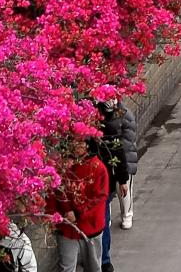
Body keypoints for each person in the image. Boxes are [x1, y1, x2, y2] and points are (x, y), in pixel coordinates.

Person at [49, 140, 109, 272]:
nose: (75, 147)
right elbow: (53, 192)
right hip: (66, 226)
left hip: (90, 227)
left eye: (80, 143)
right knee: (66, 267)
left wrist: (78, 213)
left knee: (93, 267)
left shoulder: (98, 168)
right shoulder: (62, 166)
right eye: (73, 142)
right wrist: (51, 215)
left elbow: (99, 198)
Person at [96, 102, 131, 272]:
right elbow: (119, 153)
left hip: (103, 183)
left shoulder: (105, 129)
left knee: (102, 222)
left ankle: (102, 259)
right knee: (103, 221)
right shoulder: (108, 128)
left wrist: (123, 179)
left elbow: (119, 153)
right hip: (104, 182)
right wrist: (122, 180)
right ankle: (103, 260)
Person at [116, 103, 138, 231]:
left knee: (124, 188)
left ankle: (127, 215)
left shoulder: (125, 114)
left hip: (125, 156)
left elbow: (128, 142)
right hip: (113, 156)